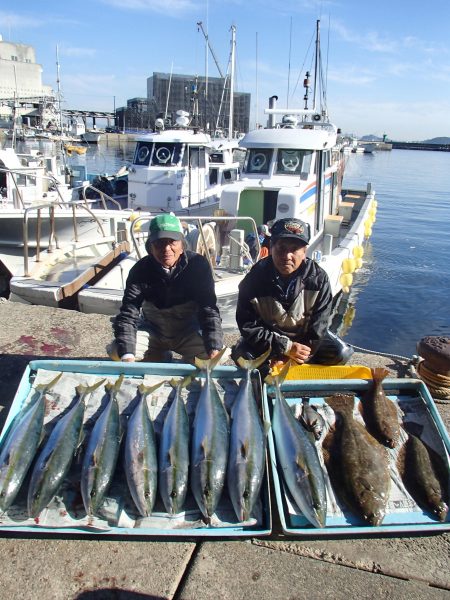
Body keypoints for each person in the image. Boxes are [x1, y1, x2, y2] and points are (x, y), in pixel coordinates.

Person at [232, 217, 353, 368]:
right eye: (281, 248)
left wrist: (296, 355)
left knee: (341, 353)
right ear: (271, 247)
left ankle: (302, 371)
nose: (287, 256)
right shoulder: (254, 279)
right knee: (243, 355)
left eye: (294, 249)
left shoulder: (318, 279)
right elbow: (248, 325)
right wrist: (284, 348)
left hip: (303, 338)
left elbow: (319, 326)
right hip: (269, 338)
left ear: (304, 252)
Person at [108, 213, 223, 363]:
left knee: (219, 355)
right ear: (150, 247)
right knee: (118, 351)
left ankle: (187, 359)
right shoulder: (140, 270)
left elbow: (209, 311)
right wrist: (127, 355)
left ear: (182, 245)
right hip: (153, 333)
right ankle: (159, 355)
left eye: (172, 242)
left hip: (188, 332)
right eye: (160, 243)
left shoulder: (198, 265)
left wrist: (214, 347)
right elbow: (128, 313)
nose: (166, 249)